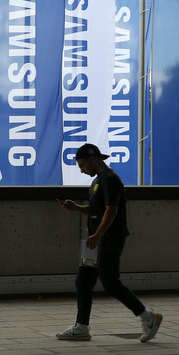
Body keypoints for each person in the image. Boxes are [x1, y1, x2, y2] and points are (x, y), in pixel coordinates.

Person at [56, 143, 162, 343]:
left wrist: (97, 235)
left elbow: (111, 210)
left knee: (111, 282)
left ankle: (148, 317)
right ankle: (81, 327)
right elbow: (98, 210)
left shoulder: (110, 180)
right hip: (96, 241)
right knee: (83, 281)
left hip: (109, 239)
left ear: (92, 159)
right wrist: (76, 208)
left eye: (82, 165)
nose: (81, 169)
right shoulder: (99, 181)